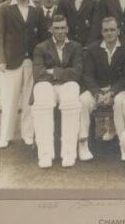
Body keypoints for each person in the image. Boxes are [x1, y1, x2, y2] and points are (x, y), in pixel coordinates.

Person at [31, 15, 91, 168]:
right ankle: (45, 154)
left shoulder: (76, 47)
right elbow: (38, 74)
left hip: (67, 85)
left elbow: (77, 73)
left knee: (72, 91)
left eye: (62, 28)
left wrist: (53, 71)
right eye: (56, 28)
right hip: (47, 85)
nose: (59, 31)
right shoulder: (41, 47)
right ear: (51, 29)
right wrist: (63, 72)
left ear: (67, 29)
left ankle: (69, 153)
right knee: (42, 92)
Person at [0, 0, 46, 148]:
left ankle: (28, 134)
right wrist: (1, 59)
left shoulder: (37, 10)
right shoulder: (3, 8)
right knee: (9, 100)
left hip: (31, 60)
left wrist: (40, 61)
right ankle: (5, 136)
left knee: (29, 100)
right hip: (11, 61)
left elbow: (42, 38)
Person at [80, 17, 125, 160]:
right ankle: (83, 144)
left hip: (118, 89)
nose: (109, 33)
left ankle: (124, 146)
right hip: (97, 89)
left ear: (118, 31)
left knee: (121, 102)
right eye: (106, 30)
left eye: (112, 30)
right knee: (82, 101)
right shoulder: (92, 49)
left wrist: (112, 92)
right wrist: (97, 93)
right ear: (101, 32)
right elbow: (88, 75)